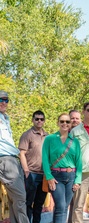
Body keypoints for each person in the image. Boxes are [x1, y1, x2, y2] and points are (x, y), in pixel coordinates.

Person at [42, 113, 82, 223]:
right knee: (60, 206)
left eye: (67, 122)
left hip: (71, 177)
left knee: (64, 208)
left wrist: (78, 180)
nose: (65, 124)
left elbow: (79, 162)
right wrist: (49, 177)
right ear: (58, 123)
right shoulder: (49, 139)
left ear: (70, 124)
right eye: (62, 121)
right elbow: (45, 159)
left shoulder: (75, 141)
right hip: (56, 176)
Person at [0, 90, 29, 223]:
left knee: (14, 201)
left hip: (12, 160)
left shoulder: (5, 118)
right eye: (1, 99)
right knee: (20, 196)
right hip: (5, 160)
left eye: (6, 100)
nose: (4, 102)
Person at [18, 110, 48, 223]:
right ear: (33, 120)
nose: (39, 121)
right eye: (37, 119)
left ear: (44, 121)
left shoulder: (48, 136)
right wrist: (26, 171)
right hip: (31, 173)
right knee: (28, 202)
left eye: (41, 119)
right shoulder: (27, 135)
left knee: (39, 204)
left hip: (44, 174)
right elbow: (22, 153)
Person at [67, 109, 82, 223]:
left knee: (76, 203)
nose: (75, 120)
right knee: (62, 203)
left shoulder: (83, 135)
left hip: (79, 172)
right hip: (63, 172)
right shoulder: (62, 134)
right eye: (72, 118)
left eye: (77, 118)